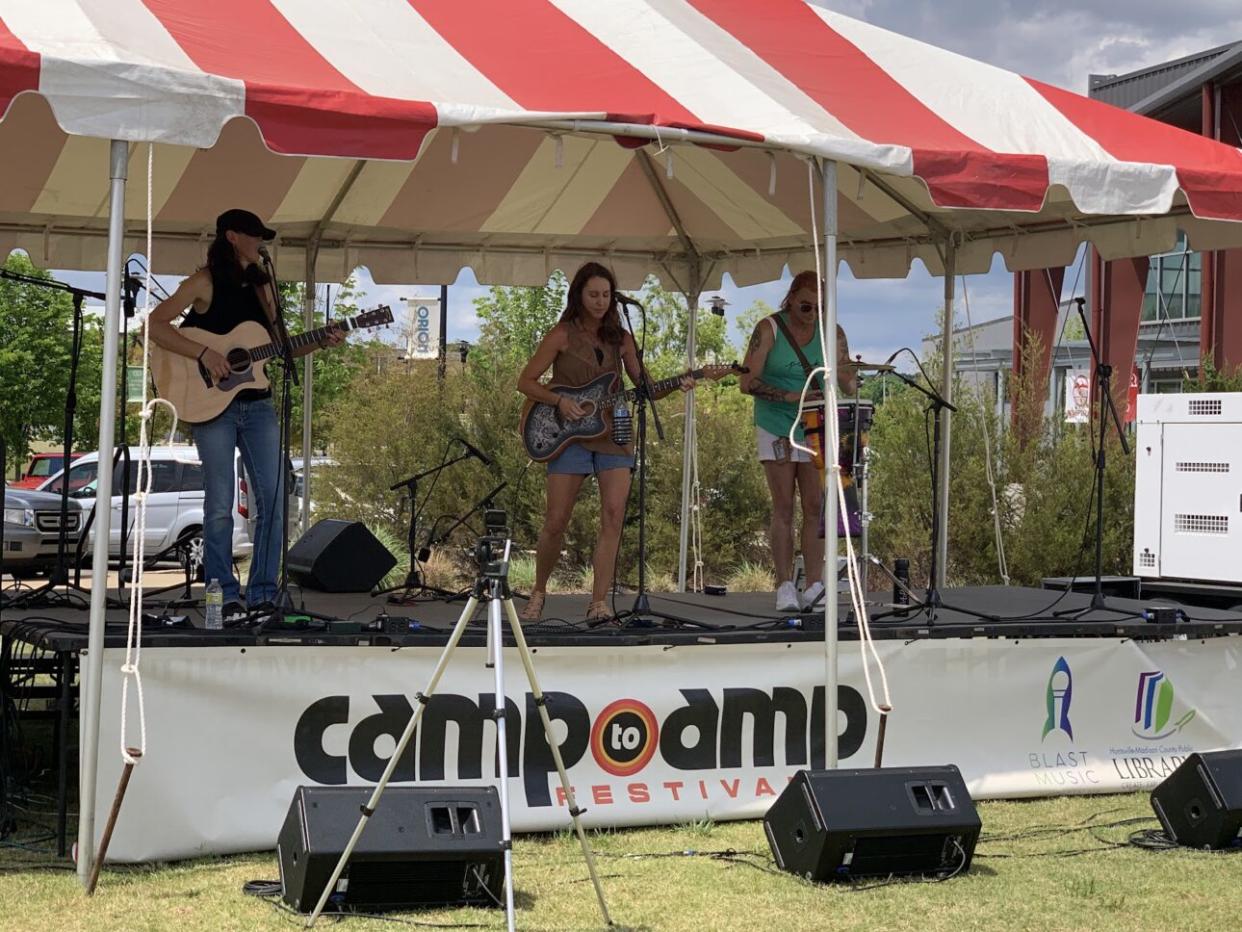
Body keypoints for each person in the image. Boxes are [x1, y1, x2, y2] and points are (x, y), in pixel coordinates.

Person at [148, 208, 344, 622]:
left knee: (274, 499)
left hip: (258, 404)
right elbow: (156, 324)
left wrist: (321, 341)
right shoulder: (203, 281)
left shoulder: (263, 287)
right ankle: (222, 594)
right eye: (255, 236)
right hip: (211, 408)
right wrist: (205, 353)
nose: (262, 244)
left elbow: (278, 348)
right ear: (232, 237)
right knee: (219, 504)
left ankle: (261, 593)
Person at [517, 262, 692, 623]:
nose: (600, 301)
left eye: (606, 295)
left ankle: (598, 602)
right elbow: (527, 381)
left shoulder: (622, 339)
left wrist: (679, 382)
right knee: (556, 519)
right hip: (569, 436)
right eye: (593, 294)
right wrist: (560, 401)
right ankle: (538, 591)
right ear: (579, 295)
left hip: (614, 436)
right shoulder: (561, 335)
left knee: (613, 516)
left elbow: (646, 389)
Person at [740, 270, 856, 614]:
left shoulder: (832, 332)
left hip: (816, 425)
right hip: (777, 424)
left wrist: (854, 374)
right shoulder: (769, 329)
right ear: (790, 299)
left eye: (820, 307)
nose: (813, 313)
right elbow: (747, 382)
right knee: (784, 507)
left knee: (816, 507)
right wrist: (787, 395)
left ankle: (815, 584)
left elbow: (848, 381)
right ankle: (784, 584)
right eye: (806, 306)